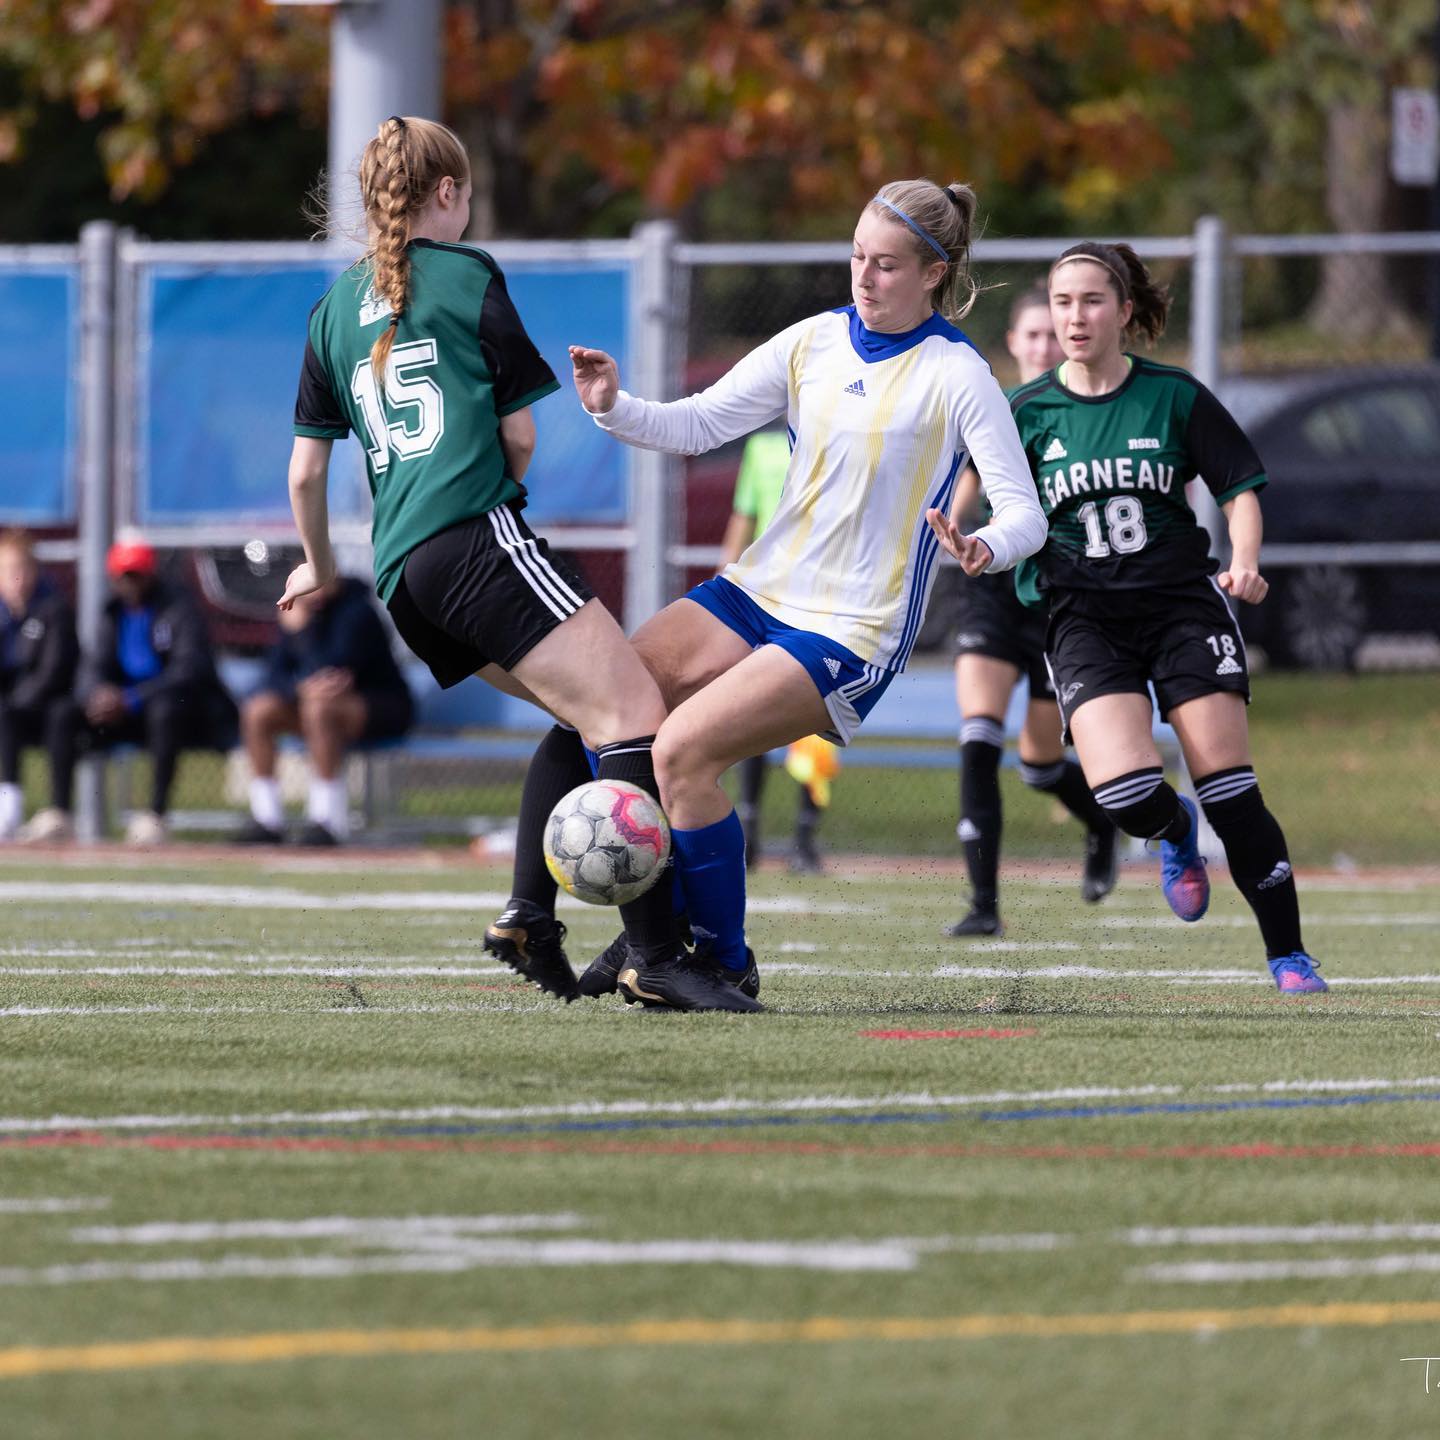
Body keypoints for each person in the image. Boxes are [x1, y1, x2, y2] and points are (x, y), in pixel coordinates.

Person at [565, 177, 1048, 1010]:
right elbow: (700, 425)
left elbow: (1025, 514)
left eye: (888, 265)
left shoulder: (957, 373)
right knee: (614, 698)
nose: (865, 276)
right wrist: (615, 408)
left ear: (934, 274)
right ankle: (658, 924)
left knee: (684, 753)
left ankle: (722, 963)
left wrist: (983, 547)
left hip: (851, 628)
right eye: (858, 256)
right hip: (758, 590)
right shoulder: (813, 342)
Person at [278, 116, 692, 1003]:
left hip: (403, 576)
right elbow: (520, 431)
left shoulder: (330, 314)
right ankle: (661, 957)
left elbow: (306, 470)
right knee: (631, 710)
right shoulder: (465, 275)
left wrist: (315, 567)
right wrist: (500, 485)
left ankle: (529, 916)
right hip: (475, 540)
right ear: (449, 194)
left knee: (583, 716)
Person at [952, 240, 1324, 993]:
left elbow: (1238, 488)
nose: (1075, 316)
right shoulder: (1023, 412)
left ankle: (1289, 956)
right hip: (1083, 616)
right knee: (1123, 794)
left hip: (1182, 605)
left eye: (1091, 300)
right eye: (1062, 303)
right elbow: (1004, 513)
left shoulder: (1173, 396)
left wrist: (1245, 559)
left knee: (1231, 789)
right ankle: (1175, 831)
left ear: (1125, 311)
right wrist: (979, 548)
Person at [947, 285, 1117, 936]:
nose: (1044, 343)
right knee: (977, 737)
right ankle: (983, 905)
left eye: (1053, 333)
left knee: (1041, 762)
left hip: (1056, 594)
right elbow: (967, 483)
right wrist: (955, 533)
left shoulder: (1081, 413)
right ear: (1013, 343)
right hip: (991, 584)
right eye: (1032, 334)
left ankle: (1100, 820)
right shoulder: (990, 409)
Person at [720, 428, 836, 875]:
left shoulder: (835, 433)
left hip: (822, 599)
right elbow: (743, 516)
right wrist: (726, 578)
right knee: (753, 713)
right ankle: (750, 836)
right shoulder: (761, 447)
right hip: (767, 597)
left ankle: (805, 841)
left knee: (813, 719)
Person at [79, 539, 239, 846]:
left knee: (165, 710)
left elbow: (188, 670)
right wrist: (96, 694)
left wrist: (131, 698)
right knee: (64, 713)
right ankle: (58, 811)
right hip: (126, 714)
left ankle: (155, 815)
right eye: (123, 576)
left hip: (185, 713)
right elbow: (94, 664)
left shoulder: (178, 607)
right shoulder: (111, 612)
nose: (129, 583)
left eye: (135, 575)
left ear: (150, 574)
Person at [238, 575, 414, 845]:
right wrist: (297, 689)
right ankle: (267, 819)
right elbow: (273, 676)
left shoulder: (357, 611)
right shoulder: (294, 610)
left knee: (319, 708)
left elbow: (331, 672)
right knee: (258, 711)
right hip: (315, 708)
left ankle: (327, 820)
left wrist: (302, 632)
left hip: (379, 707)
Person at [0, 530, 80, 842]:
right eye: (8, 572)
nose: (16, 579)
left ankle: (58, 813)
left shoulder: (53, 609)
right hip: (11, 710)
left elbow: (54, 670)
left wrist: (17, 701)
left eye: (22, 570)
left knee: (60, 715)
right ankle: (9, 804)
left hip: (46, 704)